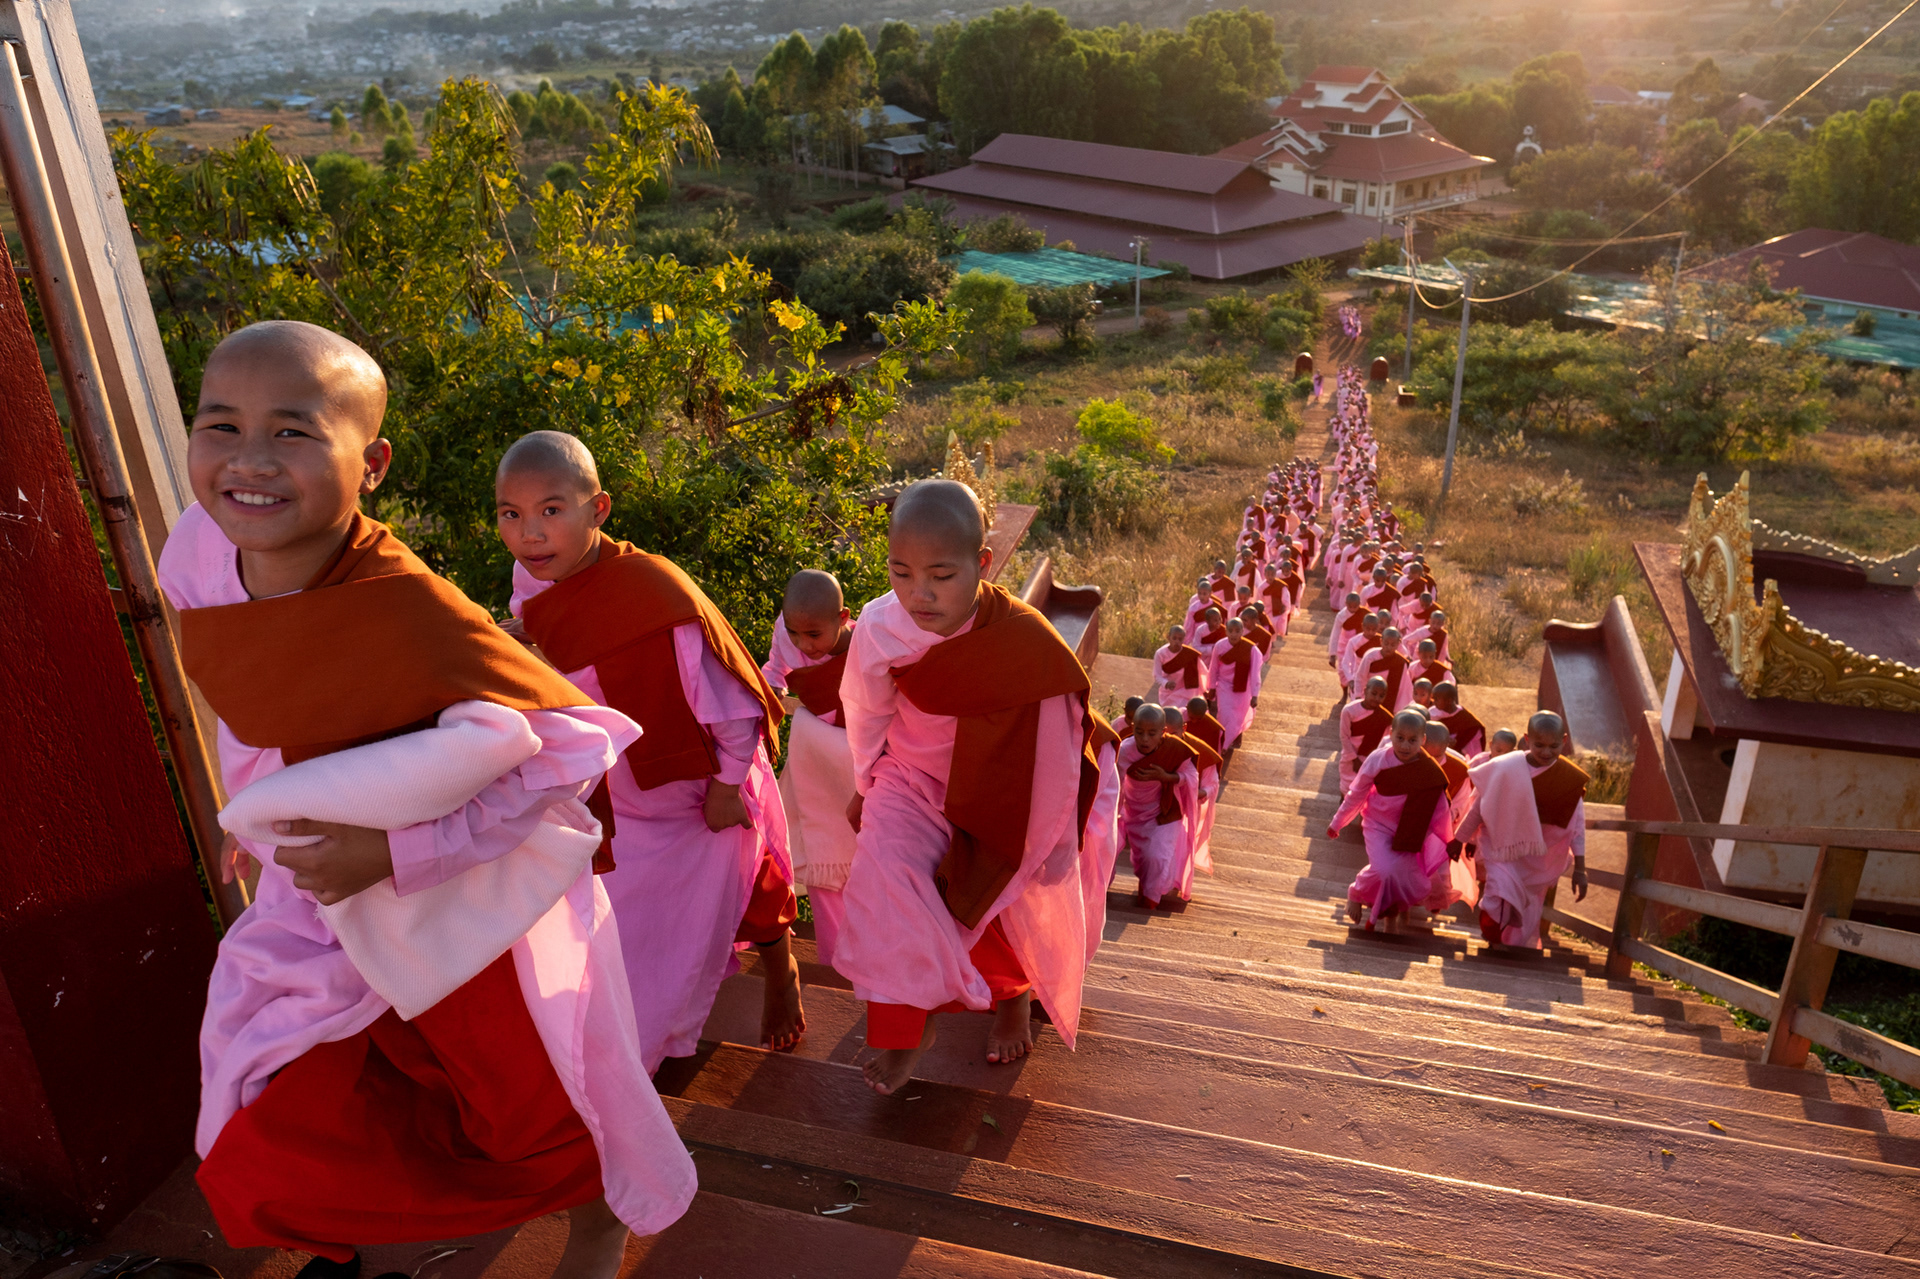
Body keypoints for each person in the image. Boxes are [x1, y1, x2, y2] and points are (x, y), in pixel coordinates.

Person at [166, 322, 692, 1274]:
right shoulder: (200, 549)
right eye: (219, 424)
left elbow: (568, 749)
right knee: (281, 1095)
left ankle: (597, 1217)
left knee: (523, 1100)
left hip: (457, 899)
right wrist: (250, 804)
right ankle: (376, 1242)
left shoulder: (409, 610)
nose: (247, 461)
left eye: (291, 432)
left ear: (371, 464)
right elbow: (253, 691)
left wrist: (396, 854)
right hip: (318, 893)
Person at [499, 432, 803, 1066]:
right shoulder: (535, 581)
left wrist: (724, 788)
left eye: (552, 510)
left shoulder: (655, 596)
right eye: (512, 514)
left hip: (695, 786)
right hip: (615, 794)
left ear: (598, 509)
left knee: (748, 885)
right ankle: (632, 1049)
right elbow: (565, 639)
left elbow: (736, 705)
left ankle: (781, 974)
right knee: (635, 930)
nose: (531, 533)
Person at [834, 480, 1101, 1095]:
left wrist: (1051, 837)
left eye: (940, 576)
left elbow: (1055, 741)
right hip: (909, 775)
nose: (917, 595)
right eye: (900, 573)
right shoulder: (879, 626)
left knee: (1001, 894)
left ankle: (1011, 999)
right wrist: (865, 783)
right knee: (885, 881)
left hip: (996, 781)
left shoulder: (1023, 641)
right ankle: (908, 1025)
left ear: (982, 565)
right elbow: (866, 711)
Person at [760, 570, 859, 967]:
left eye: (814, 635)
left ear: (842, 618)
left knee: (863, 859)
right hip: (815, 755)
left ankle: (874, 955)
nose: (804, 645)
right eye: (795, 632)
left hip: (860, 755)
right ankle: (837, 958)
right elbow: (775, 672)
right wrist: (769, 707)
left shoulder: (867, 639)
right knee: (824, 856)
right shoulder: (786, 633)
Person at [1454, 712, 1590, 951]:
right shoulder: (1506, 767)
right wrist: (1460, 838)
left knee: (1527, 909)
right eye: (1539, 745)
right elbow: (1479, 807)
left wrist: (1580, 867)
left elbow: (1576, 825)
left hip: (1540, 857)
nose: (1546, 752)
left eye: (1553, 746)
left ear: (1564, 741)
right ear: (1527, 739)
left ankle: (1508, 947)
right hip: (1503, 850)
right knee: (1498, 895)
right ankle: (1493, 937)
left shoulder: (1569, 779)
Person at [1327, 709, 1453, 934]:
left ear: (1423, 740)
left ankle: (1388, 915)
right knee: (1385, 870)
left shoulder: (1429, 770)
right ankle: (1356, 892)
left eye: (1412, 740)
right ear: (1390, 735)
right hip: (1377, 824)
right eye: (1400, 739)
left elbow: (1440, 809)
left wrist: (1448, 839)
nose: (1405, 746)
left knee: (1412, 879)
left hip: (1409, 830)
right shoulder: (1378, 759)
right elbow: (1357, 792)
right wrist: (1338, 822)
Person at [1115, 705, 1203, 910]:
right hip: (1133, 812)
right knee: (1144, 859)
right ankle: (1145, 895)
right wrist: (1115, 812)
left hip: (1163, 812)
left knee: (1157, 856)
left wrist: (1166, 777)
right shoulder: (1125, 750)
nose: (1144, 739)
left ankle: (1150, 903)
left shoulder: (1174, 749)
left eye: (1152, 733)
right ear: (1132, 728)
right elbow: (1113, 783)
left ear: (1163, 732)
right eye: (1139, 732)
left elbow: (1191, 777)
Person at [1207, 616, 1263, 765]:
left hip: (1243, 689)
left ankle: (1226, 743)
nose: (1234, 634)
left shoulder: (1252, 650)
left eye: (1237, 631)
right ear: (1225, 631)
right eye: (1230, 631)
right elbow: (1213, 668)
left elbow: (1255, 674)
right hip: (1224, 686)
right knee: (1225, 715)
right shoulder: (1219, 646)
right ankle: (1223, 745)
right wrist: (1211, 687)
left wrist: (1255, 695)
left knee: (1237, 718)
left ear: (1242, 632)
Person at [1337, 676, 1393, 795]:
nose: (1377, 698)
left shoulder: (1385, 718)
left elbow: (1385, 743)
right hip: (1349, 758)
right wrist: (1354, 759)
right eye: (1374, 693)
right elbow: (1344, 737)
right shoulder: (1349, 710)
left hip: (1369, 761)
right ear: (1365, 691)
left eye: (1381, 696)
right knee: (1345, 790)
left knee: (1362, 793)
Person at [1152, 622, 1208, 706]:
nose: (1177, 642)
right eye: (1174, 638)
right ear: (1168, 637)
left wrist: (1207, 690)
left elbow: (1204, 672)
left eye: (1180, 639)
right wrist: (1166, 683)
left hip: (1187, 691)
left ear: (1184, 640)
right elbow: (1157, 675)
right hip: (1168, 691)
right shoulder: (1160, 653)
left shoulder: (1189, 654)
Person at [1432, 682, 1486, 758]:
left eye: (1436, 699)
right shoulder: (1432, 712)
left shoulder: (1468, 721)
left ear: (1449, 701)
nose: (1433, 702)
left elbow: (1474, 754)